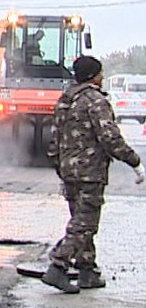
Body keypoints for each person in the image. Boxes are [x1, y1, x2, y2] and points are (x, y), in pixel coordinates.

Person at [39, 55, 146, 293]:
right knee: (84, 224)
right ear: (92, 76)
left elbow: (53, 141)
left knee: (80, 218)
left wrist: (60, 166)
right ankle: (58, 266)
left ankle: (87, 270)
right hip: (90, 172)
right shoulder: (95, 101)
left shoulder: (65, 100)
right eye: (100, 73)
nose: (103, 77)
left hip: (68, 171)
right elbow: (110, 138)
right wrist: (135, 163)